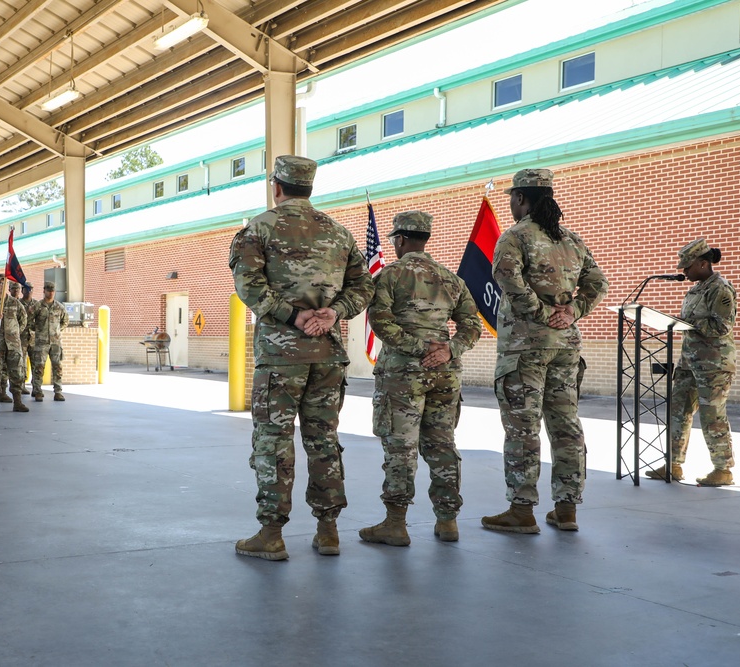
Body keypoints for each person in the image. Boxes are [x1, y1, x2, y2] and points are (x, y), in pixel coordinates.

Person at [228, 155, 374, 560]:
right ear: (309, 187)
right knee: (324, 439)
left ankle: (271, 534)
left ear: (277, 185)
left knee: (274, 442)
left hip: (280, 357)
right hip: (328, 355)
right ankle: (328, 531)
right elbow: (364, 288)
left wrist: (294, 315)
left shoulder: (257, 229)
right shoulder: (340, 234)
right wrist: (333, 314)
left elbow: (250, 286)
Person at [481, 168, 608, 534]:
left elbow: (507, 279)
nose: (510, 205)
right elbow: (598, 283)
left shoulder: (515, 237)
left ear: (521, 198)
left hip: (526, 347)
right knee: (565, 425)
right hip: (565, 346)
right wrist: (571, 312)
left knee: (523, 426)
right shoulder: (571, 239)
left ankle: (522, 510)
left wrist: (541, 313)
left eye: (511, 199)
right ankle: (567, 508)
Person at [360, 211, 482, 545]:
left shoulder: (391, 275)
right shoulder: (451, 280)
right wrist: (448, 350)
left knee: (401, 446)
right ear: (424, 239)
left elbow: (381, 322)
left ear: (399, 240)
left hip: (403, 374)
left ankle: (395, 524)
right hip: (445, 373)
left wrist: (416, 347)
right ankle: (447, 521)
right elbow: (473, 326)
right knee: (442, 443)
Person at [646, 240, 737, 486]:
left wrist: (687, 324)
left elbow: (722, 326)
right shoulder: (696, 288)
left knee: (712, 415)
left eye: (687, 267)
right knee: (678, 411)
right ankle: (674, 464)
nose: (683, 271)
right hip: (689, 361)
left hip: (713, 365)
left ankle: (723, 469)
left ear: (703, 263)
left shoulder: (720, 288)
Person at [0, 275, 29, 413]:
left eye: (4, 283)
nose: (2, 285)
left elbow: (23, 320)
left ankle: (18, 401)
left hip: (13, 345)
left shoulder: (14, 303)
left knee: (16, 373)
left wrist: (13, 334)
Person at [29, 281, 70, 401]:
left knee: (57, 366)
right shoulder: (38, 306)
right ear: (44, 291)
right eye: (48, 290)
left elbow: (65, 321)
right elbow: (30, 321)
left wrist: (56, 331)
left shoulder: (59, 307)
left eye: (52, 291)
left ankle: (58, 391)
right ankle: (37, 390)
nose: (50, 293)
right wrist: (38, 330)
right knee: (39, 367)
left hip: (55, 342)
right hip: (41, 342)